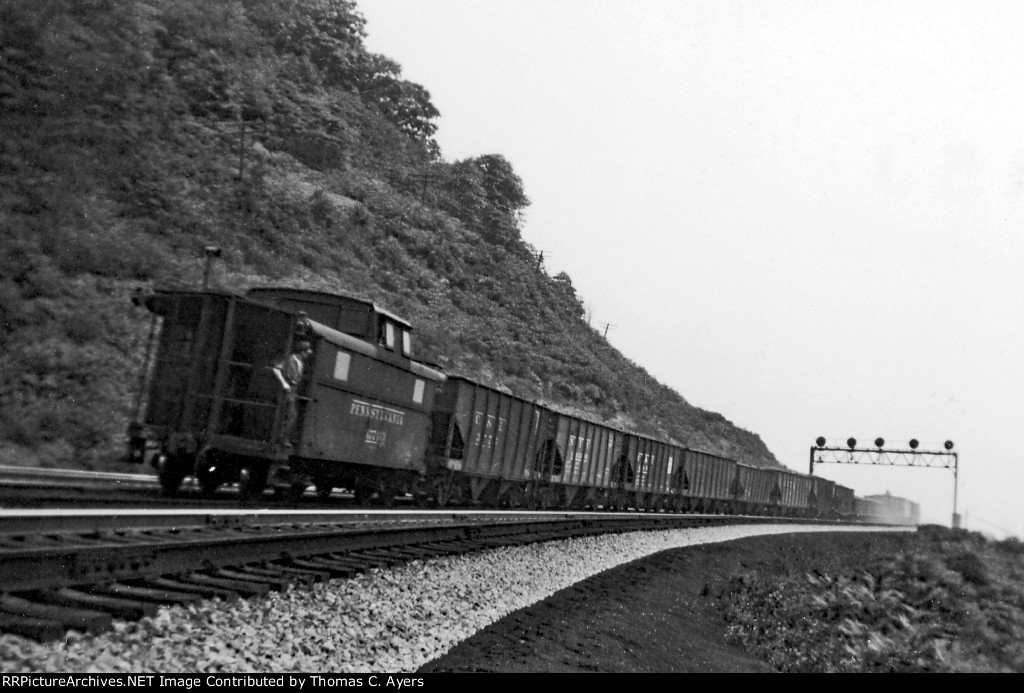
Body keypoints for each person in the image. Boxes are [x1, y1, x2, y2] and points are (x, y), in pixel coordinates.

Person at [270, 340, 314, 448]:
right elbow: (276, 369)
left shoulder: (300, 362)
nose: (308, 354)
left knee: (289, 415)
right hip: (287, 390)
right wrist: (284, 383)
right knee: (291, 415)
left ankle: (282, 437)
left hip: (293, 391)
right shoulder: (290, 359)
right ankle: (280, 438)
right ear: (301, 351)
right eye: (306, 351)